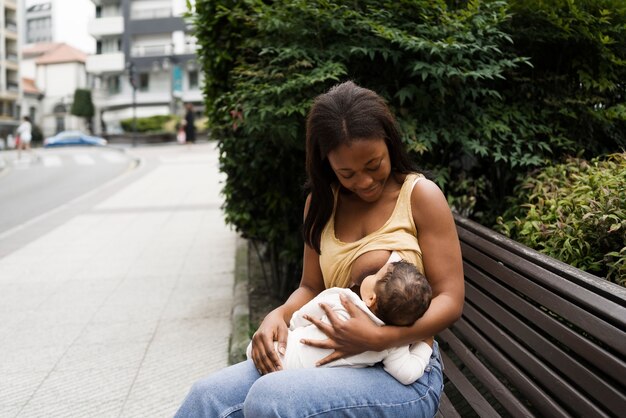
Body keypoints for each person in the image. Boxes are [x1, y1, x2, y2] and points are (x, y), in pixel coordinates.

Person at [175, 81, 464, 417]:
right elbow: (311, 287)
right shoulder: (321, 204)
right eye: (347, 173)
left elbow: (450, 299)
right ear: (327, 165)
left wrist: (380, 339)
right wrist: (277, 315)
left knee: (272, 398)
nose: (365, 182)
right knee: (206, 396)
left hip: (402, 371)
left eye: (374, 165)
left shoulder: (419, 196)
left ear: (390, 143)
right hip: (328, 360)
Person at [245, 253, 434, 385]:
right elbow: (407, 374)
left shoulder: (342, 299)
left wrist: (293, 327)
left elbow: (301, 317)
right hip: (304, 380)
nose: (371, 275)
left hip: (278, 355)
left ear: (371, 299)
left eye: (375, 275)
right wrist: (426, 343)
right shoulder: (393, 344)